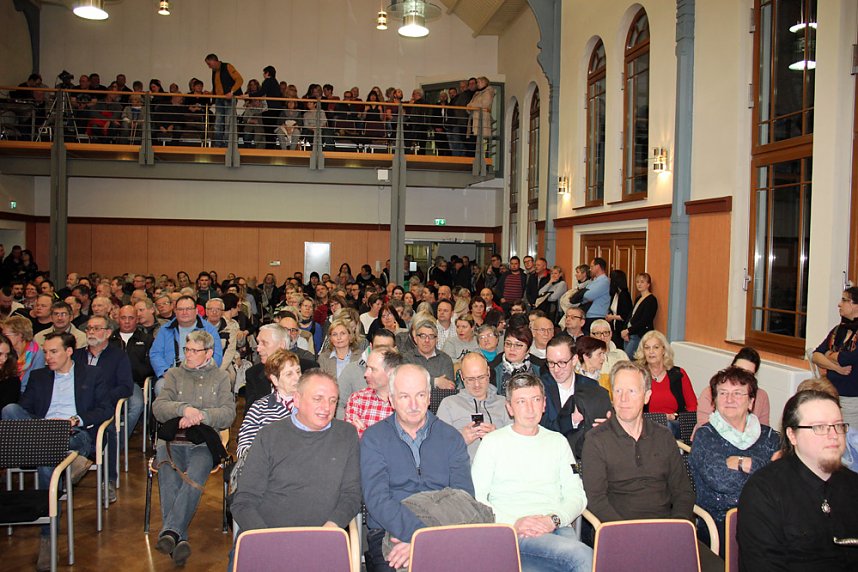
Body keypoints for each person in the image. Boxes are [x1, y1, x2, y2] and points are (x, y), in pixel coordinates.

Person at [1, 332, 112, 572]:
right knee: (10, 410)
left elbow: (105, 409)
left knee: (46, 460)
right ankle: (69, 468)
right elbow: (25, 408)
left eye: (53, 352)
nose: (48, 357)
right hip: (43, 431)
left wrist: (78, 419)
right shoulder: (39, 376)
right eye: (45, 352)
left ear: (69, 351)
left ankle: (47, 536)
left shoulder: (92, 374)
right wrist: (40, 426)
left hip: (75, 434)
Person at [471, 372, 593, 572]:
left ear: (544, 404)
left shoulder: (558, 442)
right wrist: (514, 522)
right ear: (509, 407)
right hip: (511, 532)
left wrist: (552, 519)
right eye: (521, 402)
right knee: (583, 557)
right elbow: (477, 499)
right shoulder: (493, 443)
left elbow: (577, 495)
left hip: (556, 528)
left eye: (536, 400)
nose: (530, 408)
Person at [360, 363, 473, 571]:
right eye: (404, 396)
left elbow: (463, 496)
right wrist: (418, 535)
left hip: (444, 528)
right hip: (389, 532)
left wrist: (427, 539)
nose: (413, 404)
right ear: (392, 400)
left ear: (429, 397)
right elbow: (377, 500)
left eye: (420, 395)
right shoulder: (374, 438)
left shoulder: (451, 438)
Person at [231, 370, 361, 546]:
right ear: (297, 400)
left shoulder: (346, 435)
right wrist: (266, 539)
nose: (326, 408)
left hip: (323, 537)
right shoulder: (269, 436)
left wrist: (332, 527)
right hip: (267, 534)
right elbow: (244, 500)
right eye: (318, 399)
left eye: (333, 401)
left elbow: (351, 494)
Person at [738, 390, 858, 571]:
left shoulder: (853, 485)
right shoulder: (763, 492)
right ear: (792, 435)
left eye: (838, 425)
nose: (834, 435)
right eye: (819, 427)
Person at [152, 330, 235, 567]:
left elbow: (228, 414)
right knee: (169, 477)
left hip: (204, 442)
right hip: (172, 439)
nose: (188, 355)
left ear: (208, 353)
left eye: (194, 351)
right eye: (187, 349)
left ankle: (170, 532)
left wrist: (202, 416)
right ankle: (178, 536)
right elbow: (159, 408)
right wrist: (183, 410)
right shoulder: (174, 374)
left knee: (194, 476)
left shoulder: (220, 377)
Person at [689, 367, 779, 553]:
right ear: (714, 401)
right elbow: (722, 481)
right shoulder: (705, 436)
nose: (729, 399)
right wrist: (764, 467)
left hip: (767, 519)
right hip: (720, 522)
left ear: (751, 402)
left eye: (738, 393)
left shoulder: (770, 437)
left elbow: (781, 480)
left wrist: (741, 463)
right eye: (723, 393)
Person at [540, 334, 612, 459]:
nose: (556, 369)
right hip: (548, 455)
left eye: (562, 362)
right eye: (551, 363)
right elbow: (541, 429)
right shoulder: (539, 387)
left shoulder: (591, 386)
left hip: (585, 457)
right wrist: (572, 420)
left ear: (574, 360)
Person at [436, 352, 511, 462]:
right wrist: (459, 441)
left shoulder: (504, 404)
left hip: (499, 474)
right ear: (461, 376)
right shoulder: (449, 404)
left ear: (488, 372)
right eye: (470, 379)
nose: (477, 385)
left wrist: (497, 438)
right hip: (463, 474)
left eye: (481, 377)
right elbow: (436, 450)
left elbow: (518, 446)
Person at [149, 295, 223, 395]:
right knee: (161, 386)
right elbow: (155, 354)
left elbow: (216, 355)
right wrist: (165, 372)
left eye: (188, 309)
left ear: (196, 311)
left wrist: (202, 371)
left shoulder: (209, 330)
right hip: (172, 373)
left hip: (201, 374)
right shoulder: (165, 330)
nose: (184, 312)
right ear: (175, 311)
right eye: (180, 309)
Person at [693, 346, 771, 437]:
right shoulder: (710, 392)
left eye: (748, 374)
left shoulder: (762, 396)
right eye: (738, 370)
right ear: (731, 368)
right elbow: (704, 429)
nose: (741, 376)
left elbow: (764, 431)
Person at [236, 349, 301, 457]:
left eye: (298, 371)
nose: (297, 377)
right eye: (289, 374)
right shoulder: (259, 408)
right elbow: (244, 448)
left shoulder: (312, 404)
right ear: (275, 380)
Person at [812, 286, 858, 427]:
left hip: (852, 399)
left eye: (844, 300)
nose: (839, 304)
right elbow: (815, 355)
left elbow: (847, 359)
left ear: (856, 305)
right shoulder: (839, 329)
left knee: (850, 443)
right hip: (831, 394)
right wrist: (836, 368)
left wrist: (827, 353)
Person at [636, 330, 697, 435]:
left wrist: (675, 417)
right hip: (646, 424)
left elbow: (692, 406)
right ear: (643, 352)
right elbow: (633, 409)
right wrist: (660, 418)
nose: (651, 352)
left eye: (656, 347)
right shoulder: (638, 375)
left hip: (675, 423)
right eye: (647, 348)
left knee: (666, 427)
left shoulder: (679, 374)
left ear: (663, 350)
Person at [344, 347, 401, 437]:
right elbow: (350, 438)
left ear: (391, 372)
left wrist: (365, 432)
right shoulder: (357, 399)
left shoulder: (406, 401)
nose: (366, 374)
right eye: (367, 367)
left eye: (373, 369)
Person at [402, 317, 455, 389]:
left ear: (437, 340)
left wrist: (420, 381)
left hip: (440, 399)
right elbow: (408, 382)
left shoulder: (445, 359)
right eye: (423, 336)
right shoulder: (407, 358)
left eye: (431, 336)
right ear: (415, 339)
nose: (427, 340)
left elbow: (448, 386)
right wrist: (435, 382)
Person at [488, 325, 542, 396]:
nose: (512, 349)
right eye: (508, 344)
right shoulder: (491, 369)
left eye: (518, 345)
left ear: (528, 350)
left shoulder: (540, 368)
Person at [205, 53, 243, 147]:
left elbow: (239, 80)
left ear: (214, 61)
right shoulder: (215, 71)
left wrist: (232, 92)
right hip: (219, 99)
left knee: (228, 122)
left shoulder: (228, 66)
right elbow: (218, 86)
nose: (209, 67)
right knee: (218, 122)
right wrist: (211, 93)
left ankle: (227, 145)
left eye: (209, 64)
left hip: (229, 99)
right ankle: (218, 145)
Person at [3, 314, 46, 393]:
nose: (3, 338)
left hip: (26, 393)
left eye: (6, 335)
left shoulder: (37, 354)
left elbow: (37, 382)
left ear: (20, 335)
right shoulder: (6, 351)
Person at [620, 272, 658, 359]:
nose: (639, 284)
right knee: (628, 359)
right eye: (637, 282)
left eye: (642, 282)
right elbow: (631, 315)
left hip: (639, 334)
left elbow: (645, 320)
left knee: (627, 358)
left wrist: (628, 330)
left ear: (648, 284)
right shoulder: (638, 298)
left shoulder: (651, 300)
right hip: (630, 333)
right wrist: (625, 329)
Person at [605, 270, 633, 351]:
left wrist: (612, 317)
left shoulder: (624, 295)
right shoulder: (615, 294)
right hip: (615, 327)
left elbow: (625, 315)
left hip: (621, 328)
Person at [581, 258, 610, 333]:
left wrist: (582, 295)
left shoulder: (604, 281)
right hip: (589, 314)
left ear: (598, 266)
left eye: (592, 266)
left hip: (597, 316)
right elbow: (584, 293)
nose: (590, 269)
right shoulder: (595, 281)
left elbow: (588, 295)